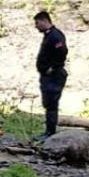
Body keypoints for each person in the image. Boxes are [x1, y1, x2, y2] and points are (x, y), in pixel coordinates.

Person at [34, 10, 68, 140]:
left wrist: (52, 67)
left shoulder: (55, 35)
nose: (36, 26)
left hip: (54, 75)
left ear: (44, 21)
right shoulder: (48, 35)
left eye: (37, 23)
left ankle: (50, 132)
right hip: (47, 75)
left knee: (52, 103)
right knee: (48, 103)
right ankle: (49, 130)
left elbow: (62, 51)